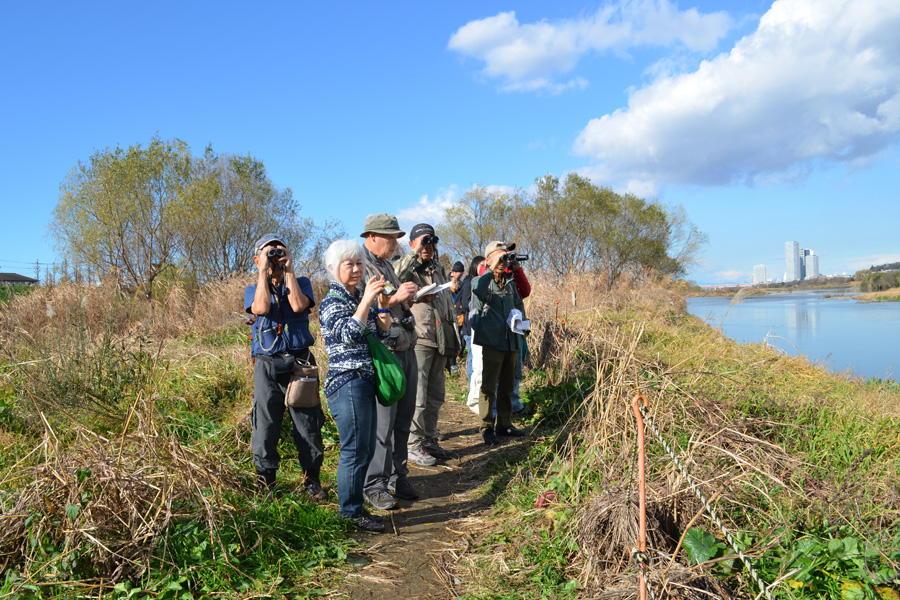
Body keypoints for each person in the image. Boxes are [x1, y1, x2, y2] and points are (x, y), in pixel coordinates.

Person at [319, 239, 393, 532]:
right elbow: (349, 333)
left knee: (363, 449)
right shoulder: (332, 302)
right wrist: (366, 302)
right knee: (354, 449)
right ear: (332, 269)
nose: (356, 269)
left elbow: (380, 334)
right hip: (347, 382)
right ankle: (350, 512)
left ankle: (355, 508)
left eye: (359, 263)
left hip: (364, 381)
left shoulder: (355, 297)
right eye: (348, 264)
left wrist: (383, 306)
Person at [245, 233, 325, 500]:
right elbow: (261, 307)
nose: (275, 256)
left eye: (280, 251)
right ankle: (266, 483)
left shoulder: (301, 283)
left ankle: (311, 481)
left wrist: (289, 271)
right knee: (265, 425)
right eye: (270, 252)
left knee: (308, 423)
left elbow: (299, 305)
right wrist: (262, 273)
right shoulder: (253, 289)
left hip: (300, 364)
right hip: (267, 364)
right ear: (257, 259)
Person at [358, 214, 421, 511]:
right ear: (371, 236)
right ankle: (375, 485)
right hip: (385, 353)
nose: (395, 242)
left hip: (406, 347)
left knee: (402, 420)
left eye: (397, 237)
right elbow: (368, 308)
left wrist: (412, 298)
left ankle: (398, 476)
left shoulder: (386, 265)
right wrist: (397, 298)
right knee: (382, 425)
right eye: (390, 237)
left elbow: (394, 303)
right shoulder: (360, 266)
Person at [394, 223, 460, 465]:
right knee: (418, 397)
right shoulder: (405, 265)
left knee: (436, 395)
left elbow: (448, 306)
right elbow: (396, 277)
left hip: (440, 338)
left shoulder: (438, 268)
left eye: (431, 242)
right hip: (418, 338)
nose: (427, 247)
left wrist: (455, 337)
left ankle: (430, 440)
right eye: (422, 242)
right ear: (411, 243)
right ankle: (413, 444)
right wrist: (415, 253)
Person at [471, 241, 528, 445]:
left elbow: (520, 304)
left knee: (507, 386)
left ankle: (505, 425)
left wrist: (523, 326)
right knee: (488, 387)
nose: (505, 261)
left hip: (511, 341)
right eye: (500, 256)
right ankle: (486, 427)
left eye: (506, 256)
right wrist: (492, 268)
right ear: (488, 259)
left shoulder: (511, 281)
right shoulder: (482, 280)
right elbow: (477, 289)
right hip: (492, 341)